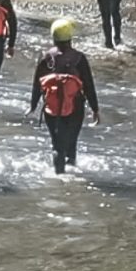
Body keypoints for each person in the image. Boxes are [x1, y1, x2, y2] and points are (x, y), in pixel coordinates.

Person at [29, 18, 101, 175]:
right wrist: (95, 109)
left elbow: (37, 84)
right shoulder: (79, 58)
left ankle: (59, 175)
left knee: (57, 144)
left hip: (51, 109)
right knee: (71, 141)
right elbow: (88, 85)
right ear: (70, 38)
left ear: (53, 37)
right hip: (75, 107)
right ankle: (71, 170)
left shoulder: (46, 58)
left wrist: (33, 105)